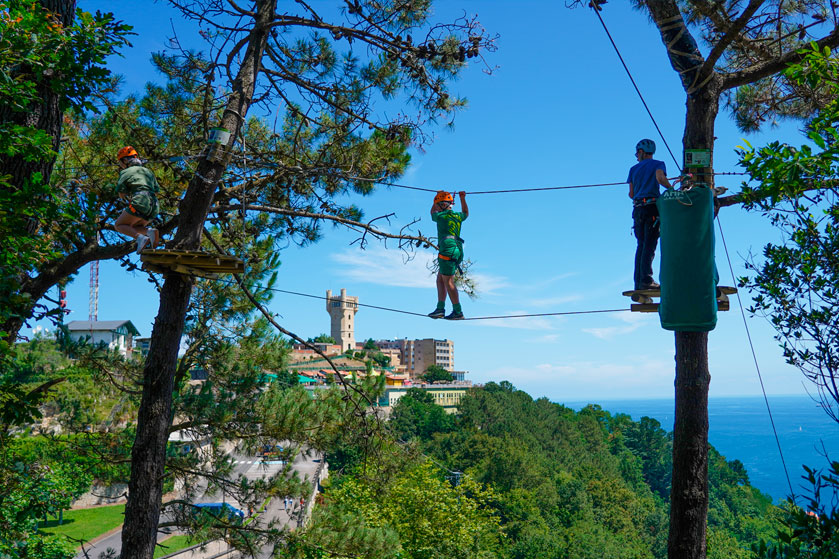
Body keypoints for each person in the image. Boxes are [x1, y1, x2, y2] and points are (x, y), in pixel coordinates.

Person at [627, 139, 672, 292]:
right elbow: (660, 178)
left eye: (637, 153)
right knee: (650, 245)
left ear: (641, 152)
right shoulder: (658, 164)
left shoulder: (633, 169)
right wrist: (671, 188)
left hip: (638, 210)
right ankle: (647, 280)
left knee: (641, 245)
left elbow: (631, 194)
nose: (636, 156)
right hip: (652, 207)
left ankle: (639, 282)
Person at [428, 190, 468, 320]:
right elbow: (466, 213)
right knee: (440, 279)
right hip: (457, 249)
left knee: (448, 281)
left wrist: (436, 199)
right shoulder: (457, 216)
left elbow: (432, 212)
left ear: (441, 205)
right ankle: (440, 308)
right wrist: (462, 198)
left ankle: (458, 311)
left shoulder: (440, 216)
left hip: (447, 249)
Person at [113, 146, 161, 253]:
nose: (120, 165)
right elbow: (156, 190)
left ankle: (140, 238)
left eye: (120, 162)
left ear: (125, 160)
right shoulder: (148, 171)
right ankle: (150, 232)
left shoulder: (125, 172)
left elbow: (121, 193)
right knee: (134, 226)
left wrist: (128, 198)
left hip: (140, 201)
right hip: (154, 205)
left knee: (119, 225)